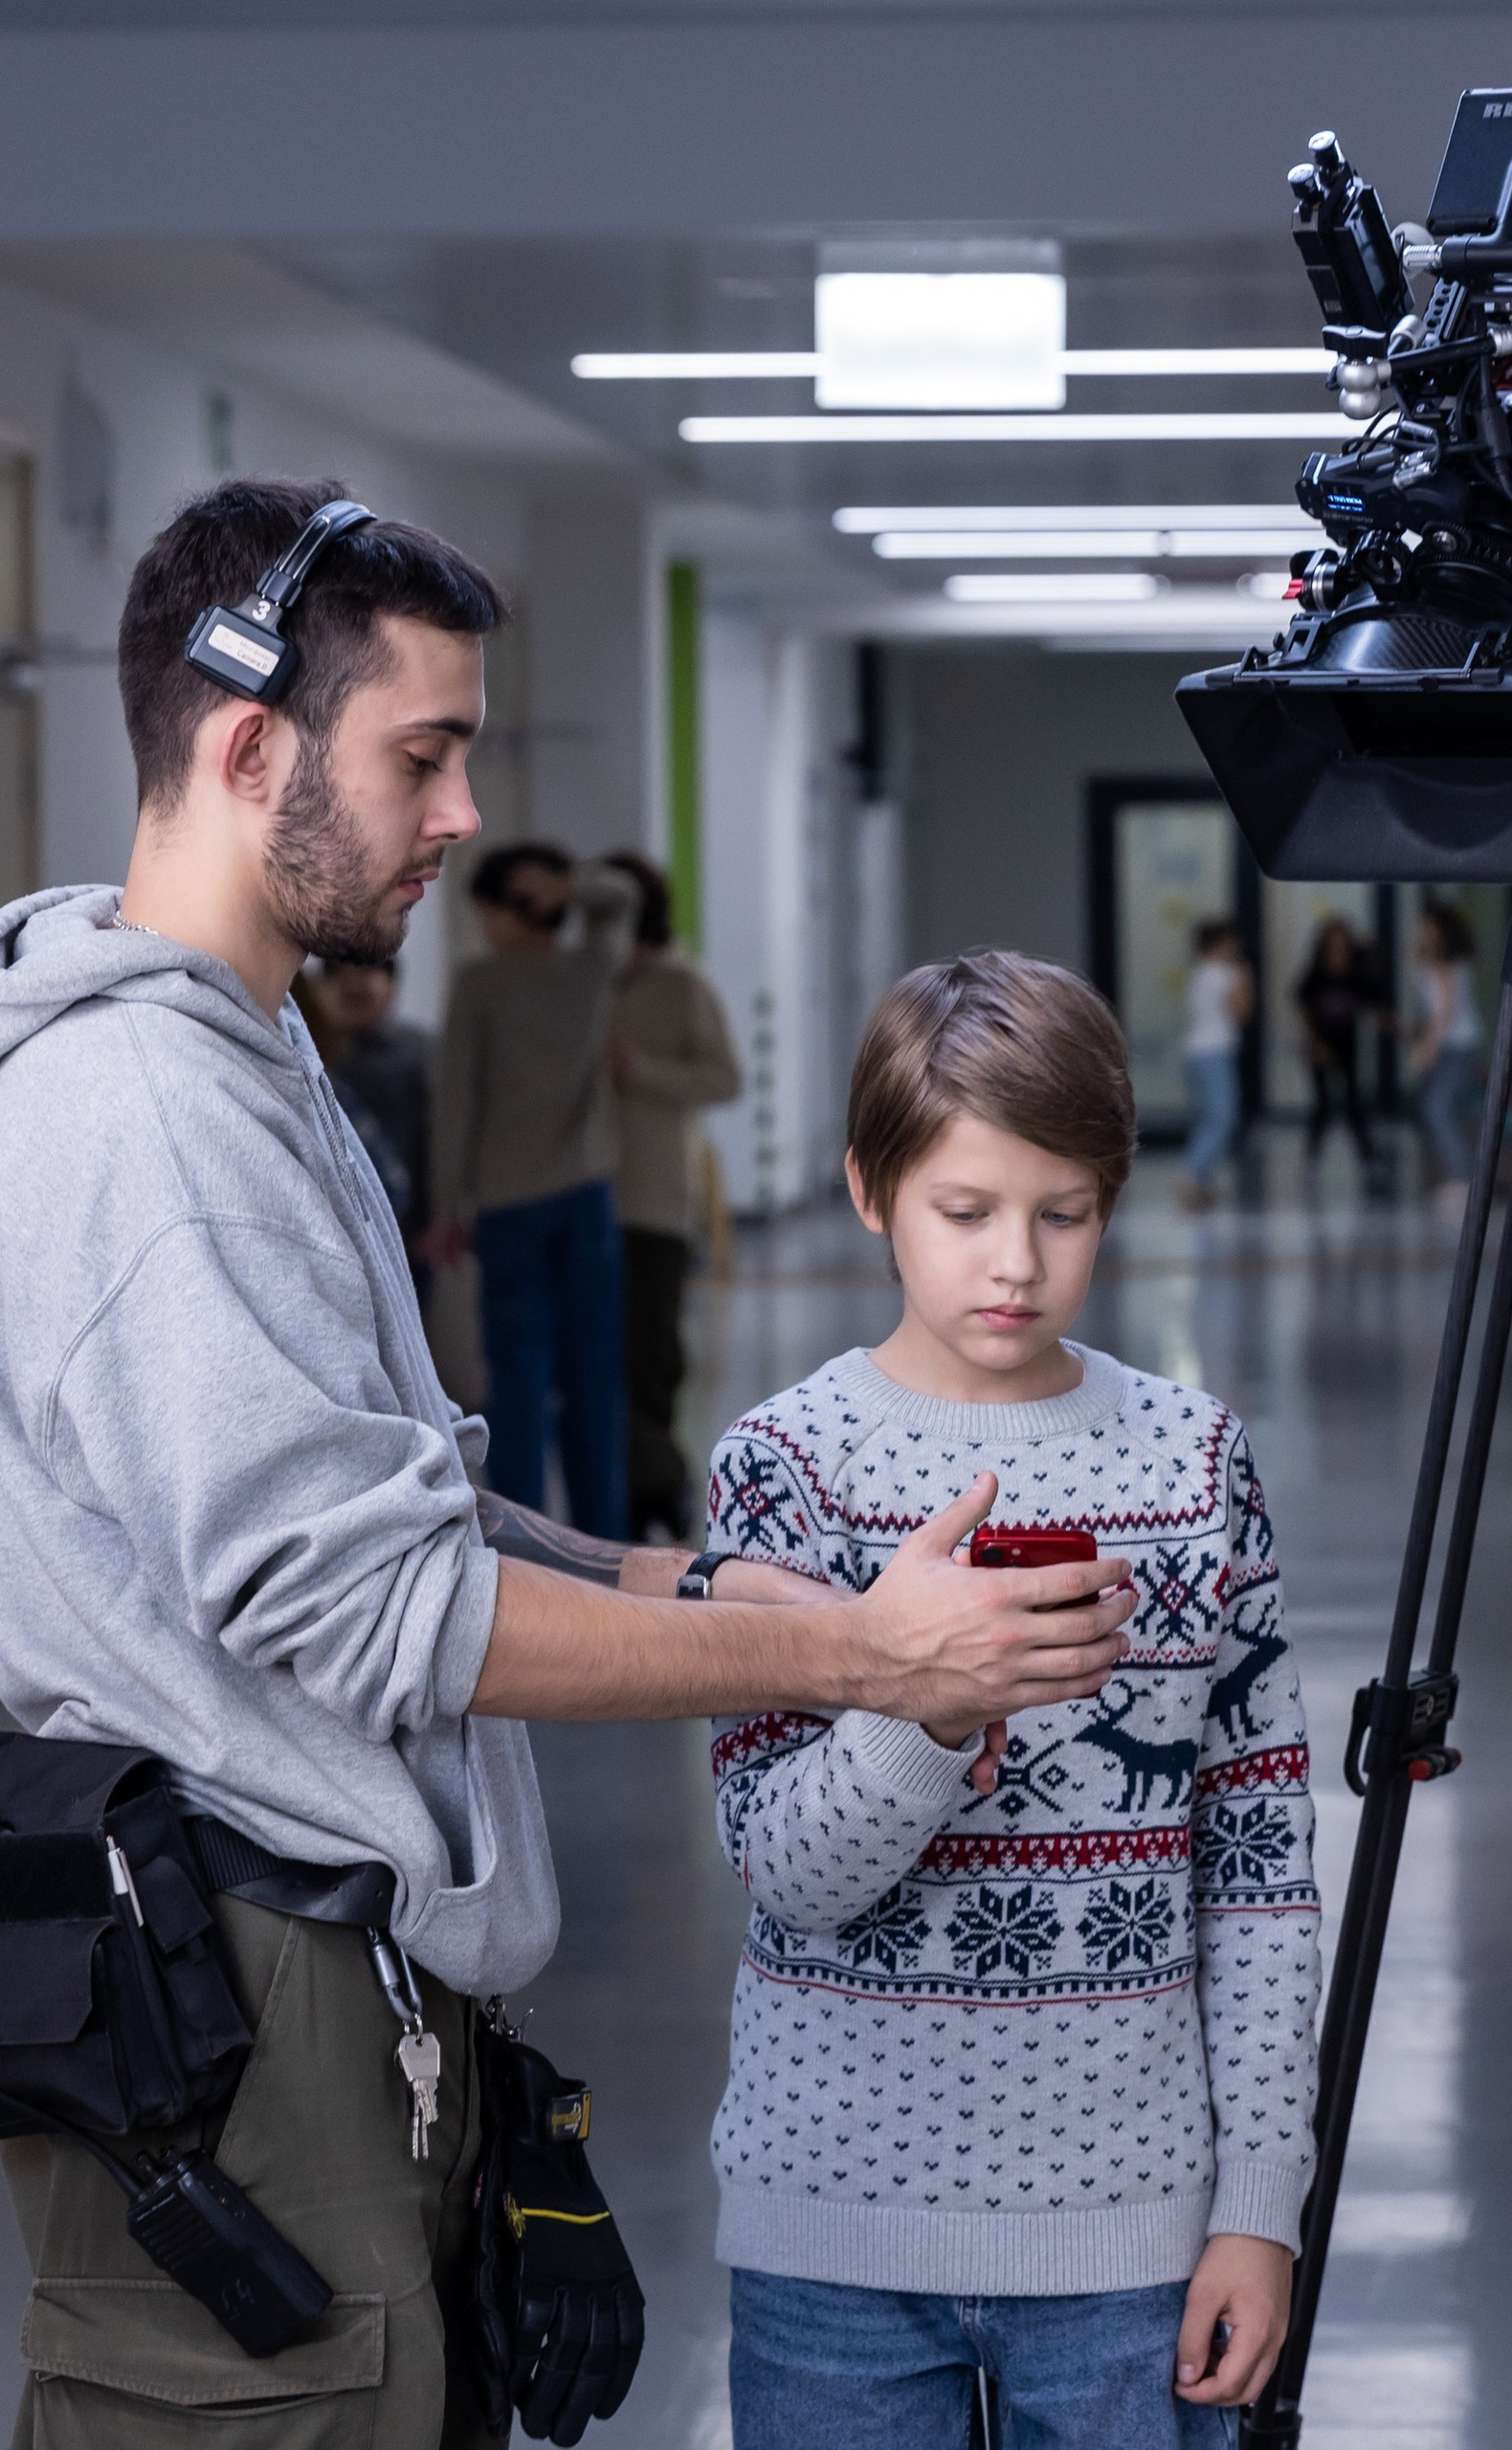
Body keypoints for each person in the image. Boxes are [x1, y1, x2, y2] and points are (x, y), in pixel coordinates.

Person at [0, 478, 1138, 2447]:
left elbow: (403, 1494)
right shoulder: (150, 1120)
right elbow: (382, 1609)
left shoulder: (250, 1059)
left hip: (308, 1986)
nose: (463, 812)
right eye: (422, 754)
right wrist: (860, 1653)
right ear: (250, 747)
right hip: (235, 1998)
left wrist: (666, 1577)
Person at [698, 949, 1320, 2448]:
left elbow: (1258, 1866)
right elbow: (793, 1872)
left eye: (1065, 1213)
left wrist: (1260, 2205)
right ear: (871, 1192)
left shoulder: (1193, 1461)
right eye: (964, 1212)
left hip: (1131, 2233)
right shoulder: (786, 1469)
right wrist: (925, 1706)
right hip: (832, 2227)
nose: (1016, 1267)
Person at [433, 840, 634, 1537]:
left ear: (501, 910)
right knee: (593, 1379)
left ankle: (528, 1545)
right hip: (586, 1199)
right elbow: (623, 897)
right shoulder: (589, 968)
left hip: (507, 1207)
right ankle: (605, 1539)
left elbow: (456, 1100)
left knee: (517, 1381)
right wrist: (568, 885)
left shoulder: (478, 982)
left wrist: (447, 1204)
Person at [602, 847, 743, 1542]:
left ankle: (662, 1481)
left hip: (656, 1198)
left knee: (652, 1355)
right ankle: (634, 1485)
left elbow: (724, 1077)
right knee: (601, 1355)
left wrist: (643, 1071)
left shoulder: (684, 984)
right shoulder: (586, 980)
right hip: (585, 1190)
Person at [302, 953, 434, 1293]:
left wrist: (433, 1219)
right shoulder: (303, 1057)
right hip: (330, 1239)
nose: (355, 982)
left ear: (393, 985)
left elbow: (437, 1144)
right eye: (337, 972)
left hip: (409, 1234)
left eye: (371, 971)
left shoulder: (418, 1053)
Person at [1409, 900, 1481, 1209]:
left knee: (1437, 1109)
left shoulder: (1446, 966)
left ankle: (1462, 1178)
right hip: (1457, 1044)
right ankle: (1459, 1174)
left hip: (1455, 1045)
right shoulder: (1446, 963)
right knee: (1442, 1108)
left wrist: (1428, 1047)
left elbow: (1444, 1013)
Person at [1294, 914, 1380, 1174]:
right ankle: (1313, 1148)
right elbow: (1304, 1008)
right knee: (1323, 1101)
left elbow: (1370, 1003)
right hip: (1321, 1042)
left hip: (1348, 1043)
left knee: (1353, 1098)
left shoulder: (1356, 972)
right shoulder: (1316, 973)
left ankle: (1365, 1148)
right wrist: (1313, 1041)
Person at [1178, 915, 1251, 1211]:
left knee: (1207, 1117)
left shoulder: (1198, 972)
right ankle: (1192, 1172)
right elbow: (1241, 1013)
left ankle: (1201, 1180)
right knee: (1223, 1116)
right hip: (1214, 1053)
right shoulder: (1226, 974)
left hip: (1194, 1053)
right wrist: (1244, 981)